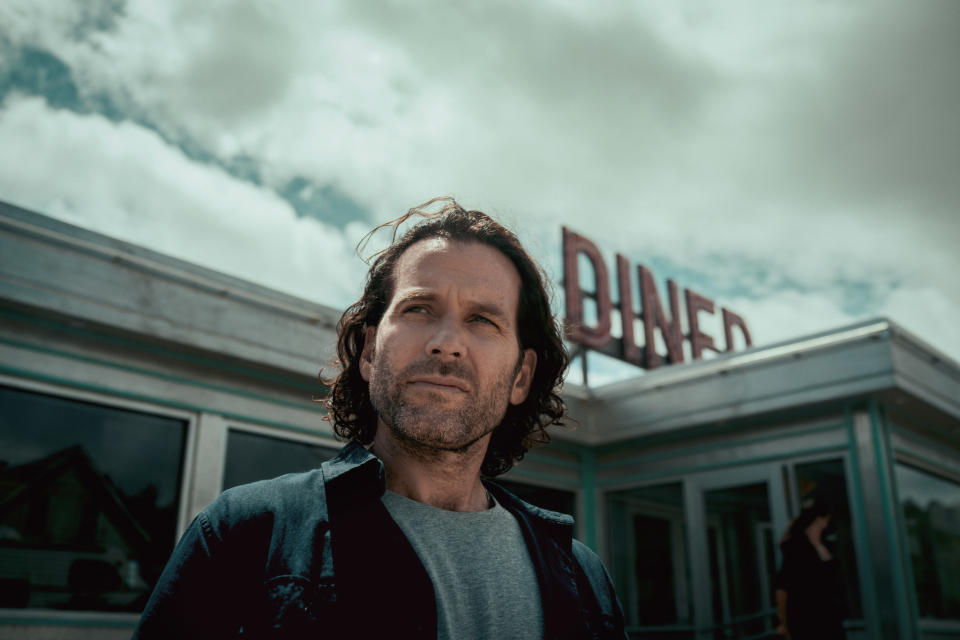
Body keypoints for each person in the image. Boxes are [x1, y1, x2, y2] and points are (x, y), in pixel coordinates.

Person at [133, 197, 627, 639]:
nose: (446, 342)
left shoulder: (582, 576)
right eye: (418, 308)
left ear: (521, 375)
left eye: (482, 319)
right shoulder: (247, 535)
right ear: (370, 351)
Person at [774, 497, 845, 640]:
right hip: (807, 621)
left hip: (830, 619)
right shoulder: (796, 548)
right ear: (819, 518)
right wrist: (783, 623)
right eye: (826, 517)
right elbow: (782, 588)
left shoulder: (826, 544)